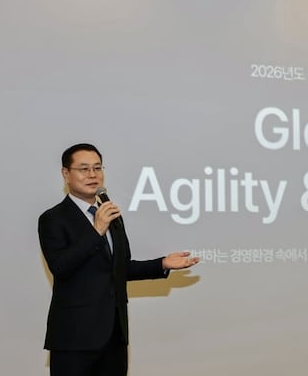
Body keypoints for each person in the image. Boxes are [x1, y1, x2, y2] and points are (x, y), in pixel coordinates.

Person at [38, 143, 199, 376]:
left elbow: (120, 268)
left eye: (97, 168)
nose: (92, 174)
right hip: (74, 337)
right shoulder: (53, 219)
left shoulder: (110, 215)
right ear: (66, 174)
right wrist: (96, 230)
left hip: (114, 335)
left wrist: (162, 263)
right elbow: (61, 267)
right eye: (84, 169)